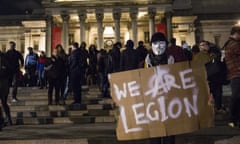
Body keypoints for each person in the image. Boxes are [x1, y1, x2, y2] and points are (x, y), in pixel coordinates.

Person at [145, 32, 176, 144]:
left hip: (169, 102)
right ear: (151, 45)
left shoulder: (171, 59)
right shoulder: (146, 60)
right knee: (155, 135)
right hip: (152, 103)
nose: (158, 46)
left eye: (162, 43)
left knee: (169, 134)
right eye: (155, 43)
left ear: (166, 45)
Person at [224, 26, 240, 128]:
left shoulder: (228, 43)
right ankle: (233, 118)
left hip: (234, 73)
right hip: (237, 73)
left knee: (236, 97)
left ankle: (234, 119)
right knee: (236, 97)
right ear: (236, 34)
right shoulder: (235, 45)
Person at [0, 50, 13, 126]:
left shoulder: (4, 59)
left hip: (3, 82)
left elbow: (9, 70)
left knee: (4, 102)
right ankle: (2, 120)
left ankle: (8, 118)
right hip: (4, 82)